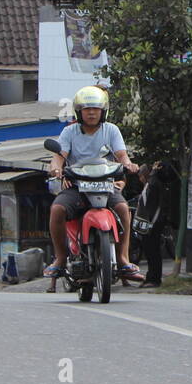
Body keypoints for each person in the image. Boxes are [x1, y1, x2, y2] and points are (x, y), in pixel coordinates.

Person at [43, 86, 144, 283]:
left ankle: (123, 259)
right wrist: (55, 169)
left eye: (96, 109)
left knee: (124, 208)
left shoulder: (111, 130)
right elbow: (58, 157)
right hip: (76, 186)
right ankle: (61, 259)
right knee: (57, 209)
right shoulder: (69, 132)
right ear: (79, 112)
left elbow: (121, 155)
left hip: (105, 185)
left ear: (103, 111)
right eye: (87, 109)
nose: (91, 113)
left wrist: (129, 165)